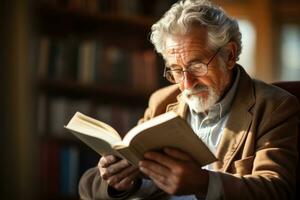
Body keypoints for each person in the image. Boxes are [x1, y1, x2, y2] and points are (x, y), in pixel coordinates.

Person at [78, 0, 299, 199]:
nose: (186, 83)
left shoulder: (275, 106)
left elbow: (278, 189)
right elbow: (87, 188)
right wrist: (119, 182)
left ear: (229, 55)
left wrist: (203, 184)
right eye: (175, 70)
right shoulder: (162, 102)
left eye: (197, 66)